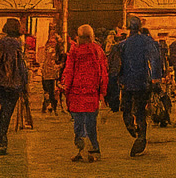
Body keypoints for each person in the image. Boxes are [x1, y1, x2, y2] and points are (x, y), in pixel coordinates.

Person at [118, 16, 164, 155]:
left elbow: (118, 65)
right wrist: (156, 78)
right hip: (142, 81)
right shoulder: (146, 41)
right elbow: (155, 59)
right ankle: (141, 136)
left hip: (127, 82)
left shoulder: (123, 44)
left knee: (127, 109)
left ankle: (132, 128)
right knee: (140, 111)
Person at [60, 24, 107, 162]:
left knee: (78, 123)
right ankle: (93, 150)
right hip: (92, 93)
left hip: (76, 93)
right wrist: (103, 92)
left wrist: (65, 88)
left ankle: (80, 149)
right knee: (91, 123)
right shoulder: (98, 51)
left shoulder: (74, 51)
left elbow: (69, 71)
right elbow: (103, 72)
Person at [0, 19, 29, 156]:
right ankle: (2, 139)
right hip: (14, 82)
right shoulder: (17, 44)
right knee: (7, 109)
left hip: (0, 81)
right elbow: (20, 65)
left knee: (4, 107)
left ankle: (2, 138)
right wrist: (25, 82)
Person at [39, 33, 65, 114]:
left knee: (50, 91)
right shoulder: (48, 50)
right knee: (49, 90)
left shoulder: (54, 50)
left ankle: (50, 107)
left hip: (51, 73)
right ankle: (50, 107)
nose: (52, 44)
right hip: (48, 73)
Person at [105, 30, 124, 113]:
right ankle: (114, 105)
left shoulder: (115, 49)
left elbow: (116, 61)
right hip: (112, 71)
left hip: (114, 71)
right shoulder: (112, 48)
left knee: (114, 88)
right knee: (113, 88)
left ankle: (115, 105)